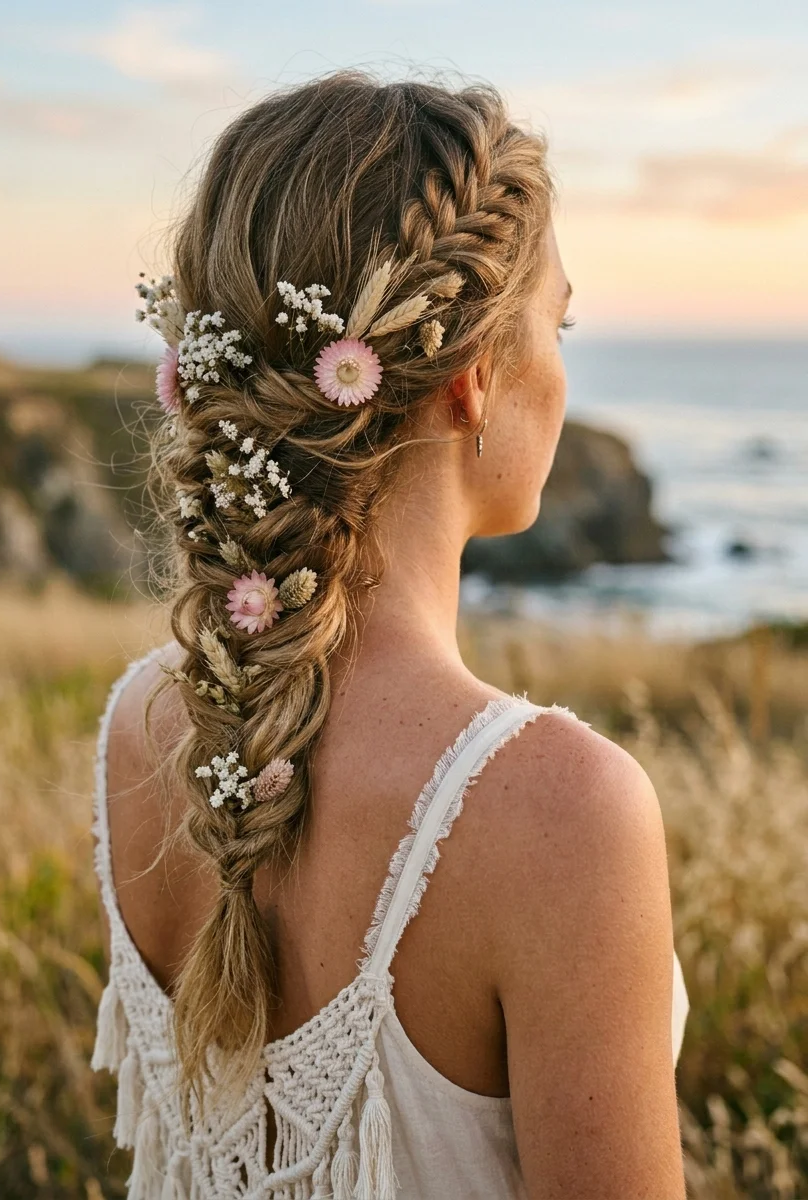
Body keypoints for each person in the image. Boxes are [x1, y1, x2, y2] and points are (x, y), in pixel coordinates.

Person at [90, 68, 690, 1199]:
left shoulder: (145, 725)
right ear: (470, 376)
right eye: (554, 322)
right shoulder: (559, 814)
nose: (561, 368)